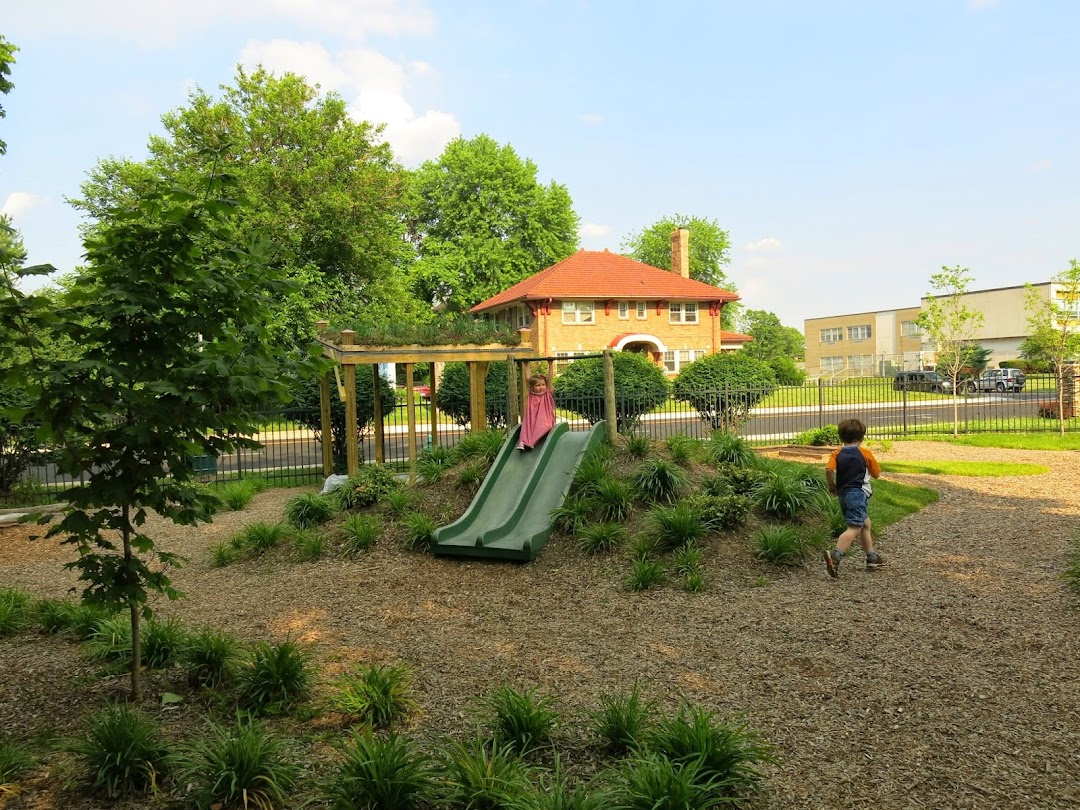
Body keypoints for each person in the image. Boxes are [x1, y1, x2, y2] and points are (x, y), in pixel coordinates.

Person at [823, 418, 887, 577]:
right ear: (862, 437)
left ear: (841, 437)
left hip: (844, 495)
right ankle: (836, 556)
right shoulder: (864, 453)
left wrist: (832, 486)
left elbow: (828, 470)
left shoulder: (836, 453)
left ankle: (871, 557)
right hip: (858, 493)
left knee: (865, 524)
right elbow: (876, 474)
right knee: (854, 528)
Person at [518, 372, 555, 450]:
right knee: (527, 427)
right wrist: (527, 364)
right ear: (532, 387)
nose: (541, 387)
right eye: (538, 385)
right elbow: (528, 378)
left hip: (544, 416)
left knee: (546, 426)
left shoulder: (547, 393)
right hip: (532, 416)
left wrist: (551, 364)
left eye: (543, 385)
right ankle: (522, 442)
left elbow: (550, 378)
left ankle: (531, 442)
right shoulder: (532, 394)